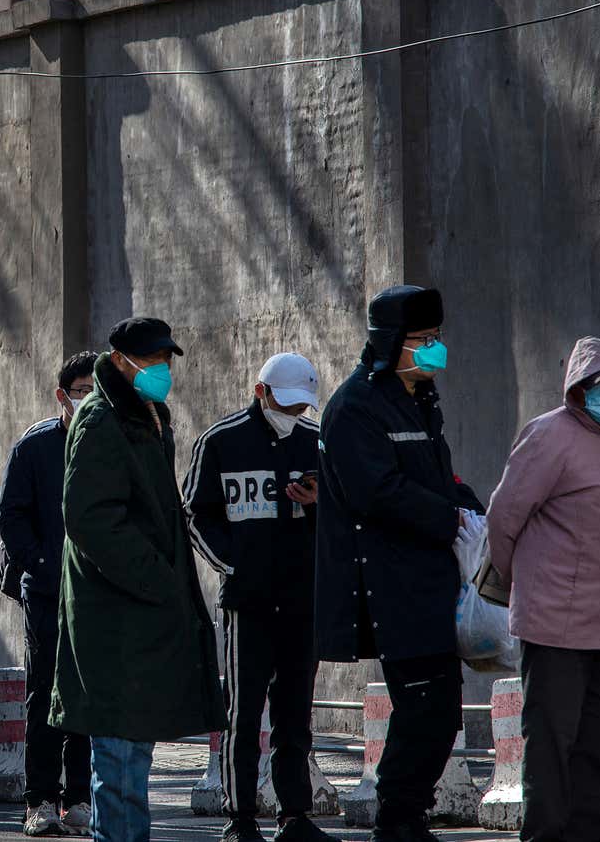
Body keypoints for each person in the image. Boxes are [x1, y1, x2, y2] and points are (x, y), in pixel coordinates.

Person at [314, 285, 482, 842]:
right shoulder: (355, 408)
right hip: (391, 587)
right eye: (422, 340)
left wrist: (469, 506)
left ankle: (407, 815)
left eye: (438, 338)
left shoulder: (420, 400)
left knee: (440, 712)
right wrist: (448, 517)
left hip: (432, 582)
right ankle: (397, 819)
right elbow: (377, 492)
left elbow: (435, 477)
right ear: (390, 343)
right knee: (423, 709)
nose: (434, 350)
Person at [53, 318, 227, 841]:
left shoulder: (147, 416)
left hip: (138, 618)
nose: (162, 371)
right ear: (121, 360)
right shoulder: (101, 420)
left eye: (166, 361)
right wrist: (158, 579)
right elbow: (90, 520)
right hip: (117, 618)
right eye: (151, 361)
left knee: (131, 760)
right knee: (121, 764)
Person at [486, 337, 600, 842]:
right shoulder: (549, 434)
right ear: (580, 391)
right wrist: (525, 585)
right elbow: (503, 517)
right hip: (556, 623)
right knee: (551, 750)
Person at [185, 353, 338, 842]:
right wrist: (234, 563)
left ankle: (295, 815)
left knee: (295, 715)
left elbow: (342, 519)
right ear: (261, 392)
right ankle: (241, 817)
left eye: (301, 407)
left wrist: (317, 505)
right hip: (246, 603)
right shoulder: (221, 441)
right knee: (243, 714)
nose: (293, 414)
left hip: (301, 602)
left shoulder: (318, 443)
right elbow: (194, 513)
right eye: (285, 403)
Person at [0, 352, 97, 836]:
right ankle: (39, 800)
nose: (89, 401)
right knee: (44, 697)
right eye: (81, 392)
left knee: (88, 696)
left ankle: (80, 799)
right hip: (47, 594)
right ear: (62, 395)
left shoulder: (111, 444)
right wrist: (40, 563)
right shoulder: (34, 447)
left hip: (99, 596)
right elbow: (10, 516)